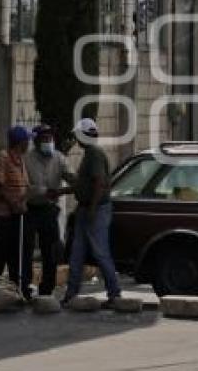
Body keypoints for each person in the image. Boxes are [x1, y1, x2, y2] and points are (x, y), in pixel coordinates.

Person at [59, 118, 122, 308]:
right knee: (76, 254)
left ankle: (114, 293)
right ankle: (71, 294)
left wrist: (93, 208)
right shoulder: (89, 153)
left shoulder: (94, 153)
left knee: (101, 252)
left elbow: (99, 182)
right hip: (85, 208)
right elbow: (83, 185)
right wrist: (62, 191)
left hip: (95, 209)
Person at [21, 124, 75, 299]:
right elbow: (25, 187)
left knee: (50, 250)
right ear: (36, 141)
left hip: (49, 210)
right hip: (30, 209)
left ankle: (47, 287)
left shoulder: (59, 158)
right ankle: (25, 285)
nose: (48, 142)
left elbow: (71, 176)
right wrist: (45, 191)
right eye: (44, 139)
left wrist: (78, 182)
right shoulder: (26, 160)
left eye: (50, 139)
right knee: (27, 248)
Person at [0, 126, 31, 289]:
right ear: (21, 142)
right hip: (2, 217)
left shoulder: (20, 160)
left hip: (16, 216)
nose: (29, 144)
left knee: (16, 257)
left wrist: (24, 199)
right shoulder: (3, 157)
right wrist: (13, 203)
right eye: (27, 141)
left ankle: (17, 289)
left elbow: (23, 186)